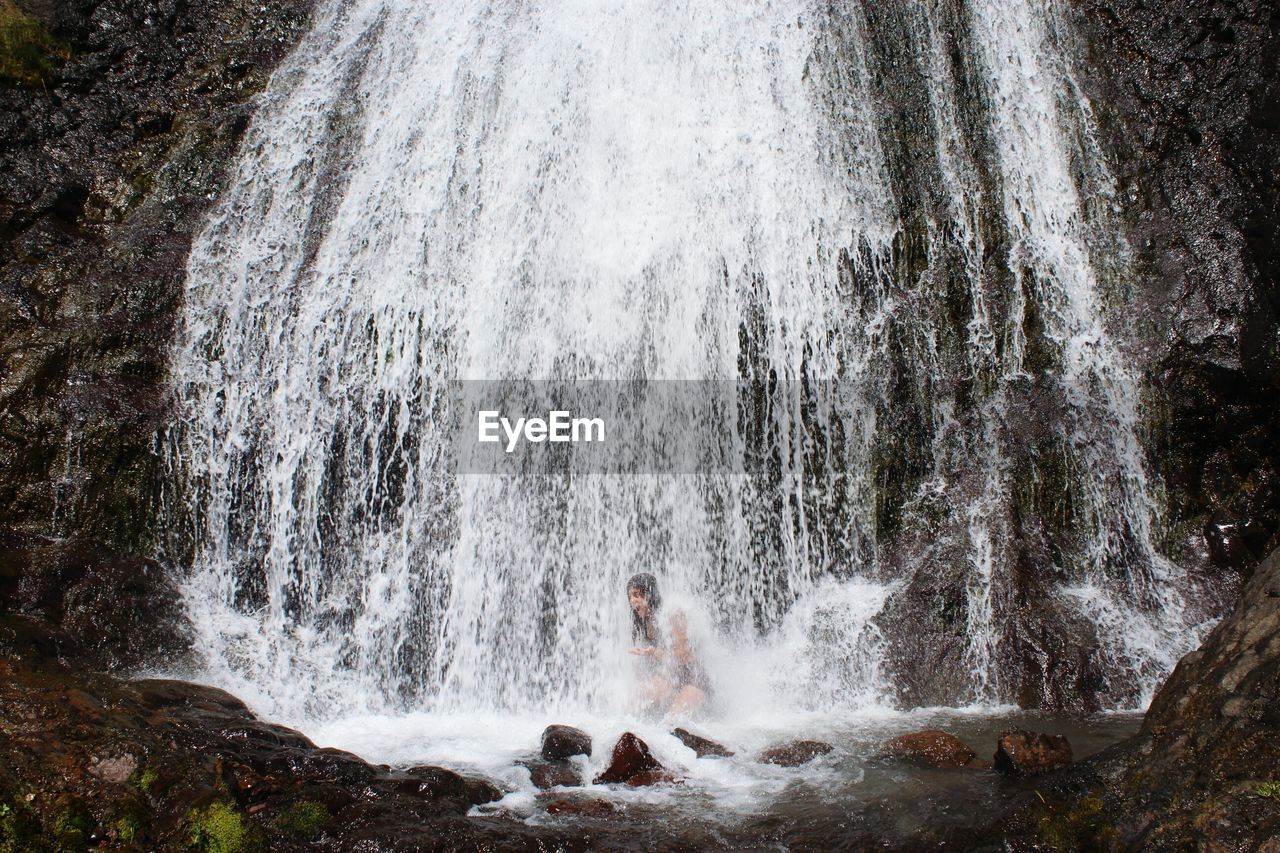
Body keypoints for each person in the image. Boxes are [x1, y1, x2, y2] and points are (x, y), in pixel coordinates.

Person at [626, 573, 709, 716]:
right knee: (636, 695)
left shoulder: (673, 614)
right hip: (670, 681)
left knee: (673, 721)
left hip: (694, 683)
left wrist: (654, 652)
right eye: (630, 597)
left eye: (636, 595)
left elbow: (684, 658)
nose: (632, 601)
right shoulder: (646, 622)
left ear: (649, 594)